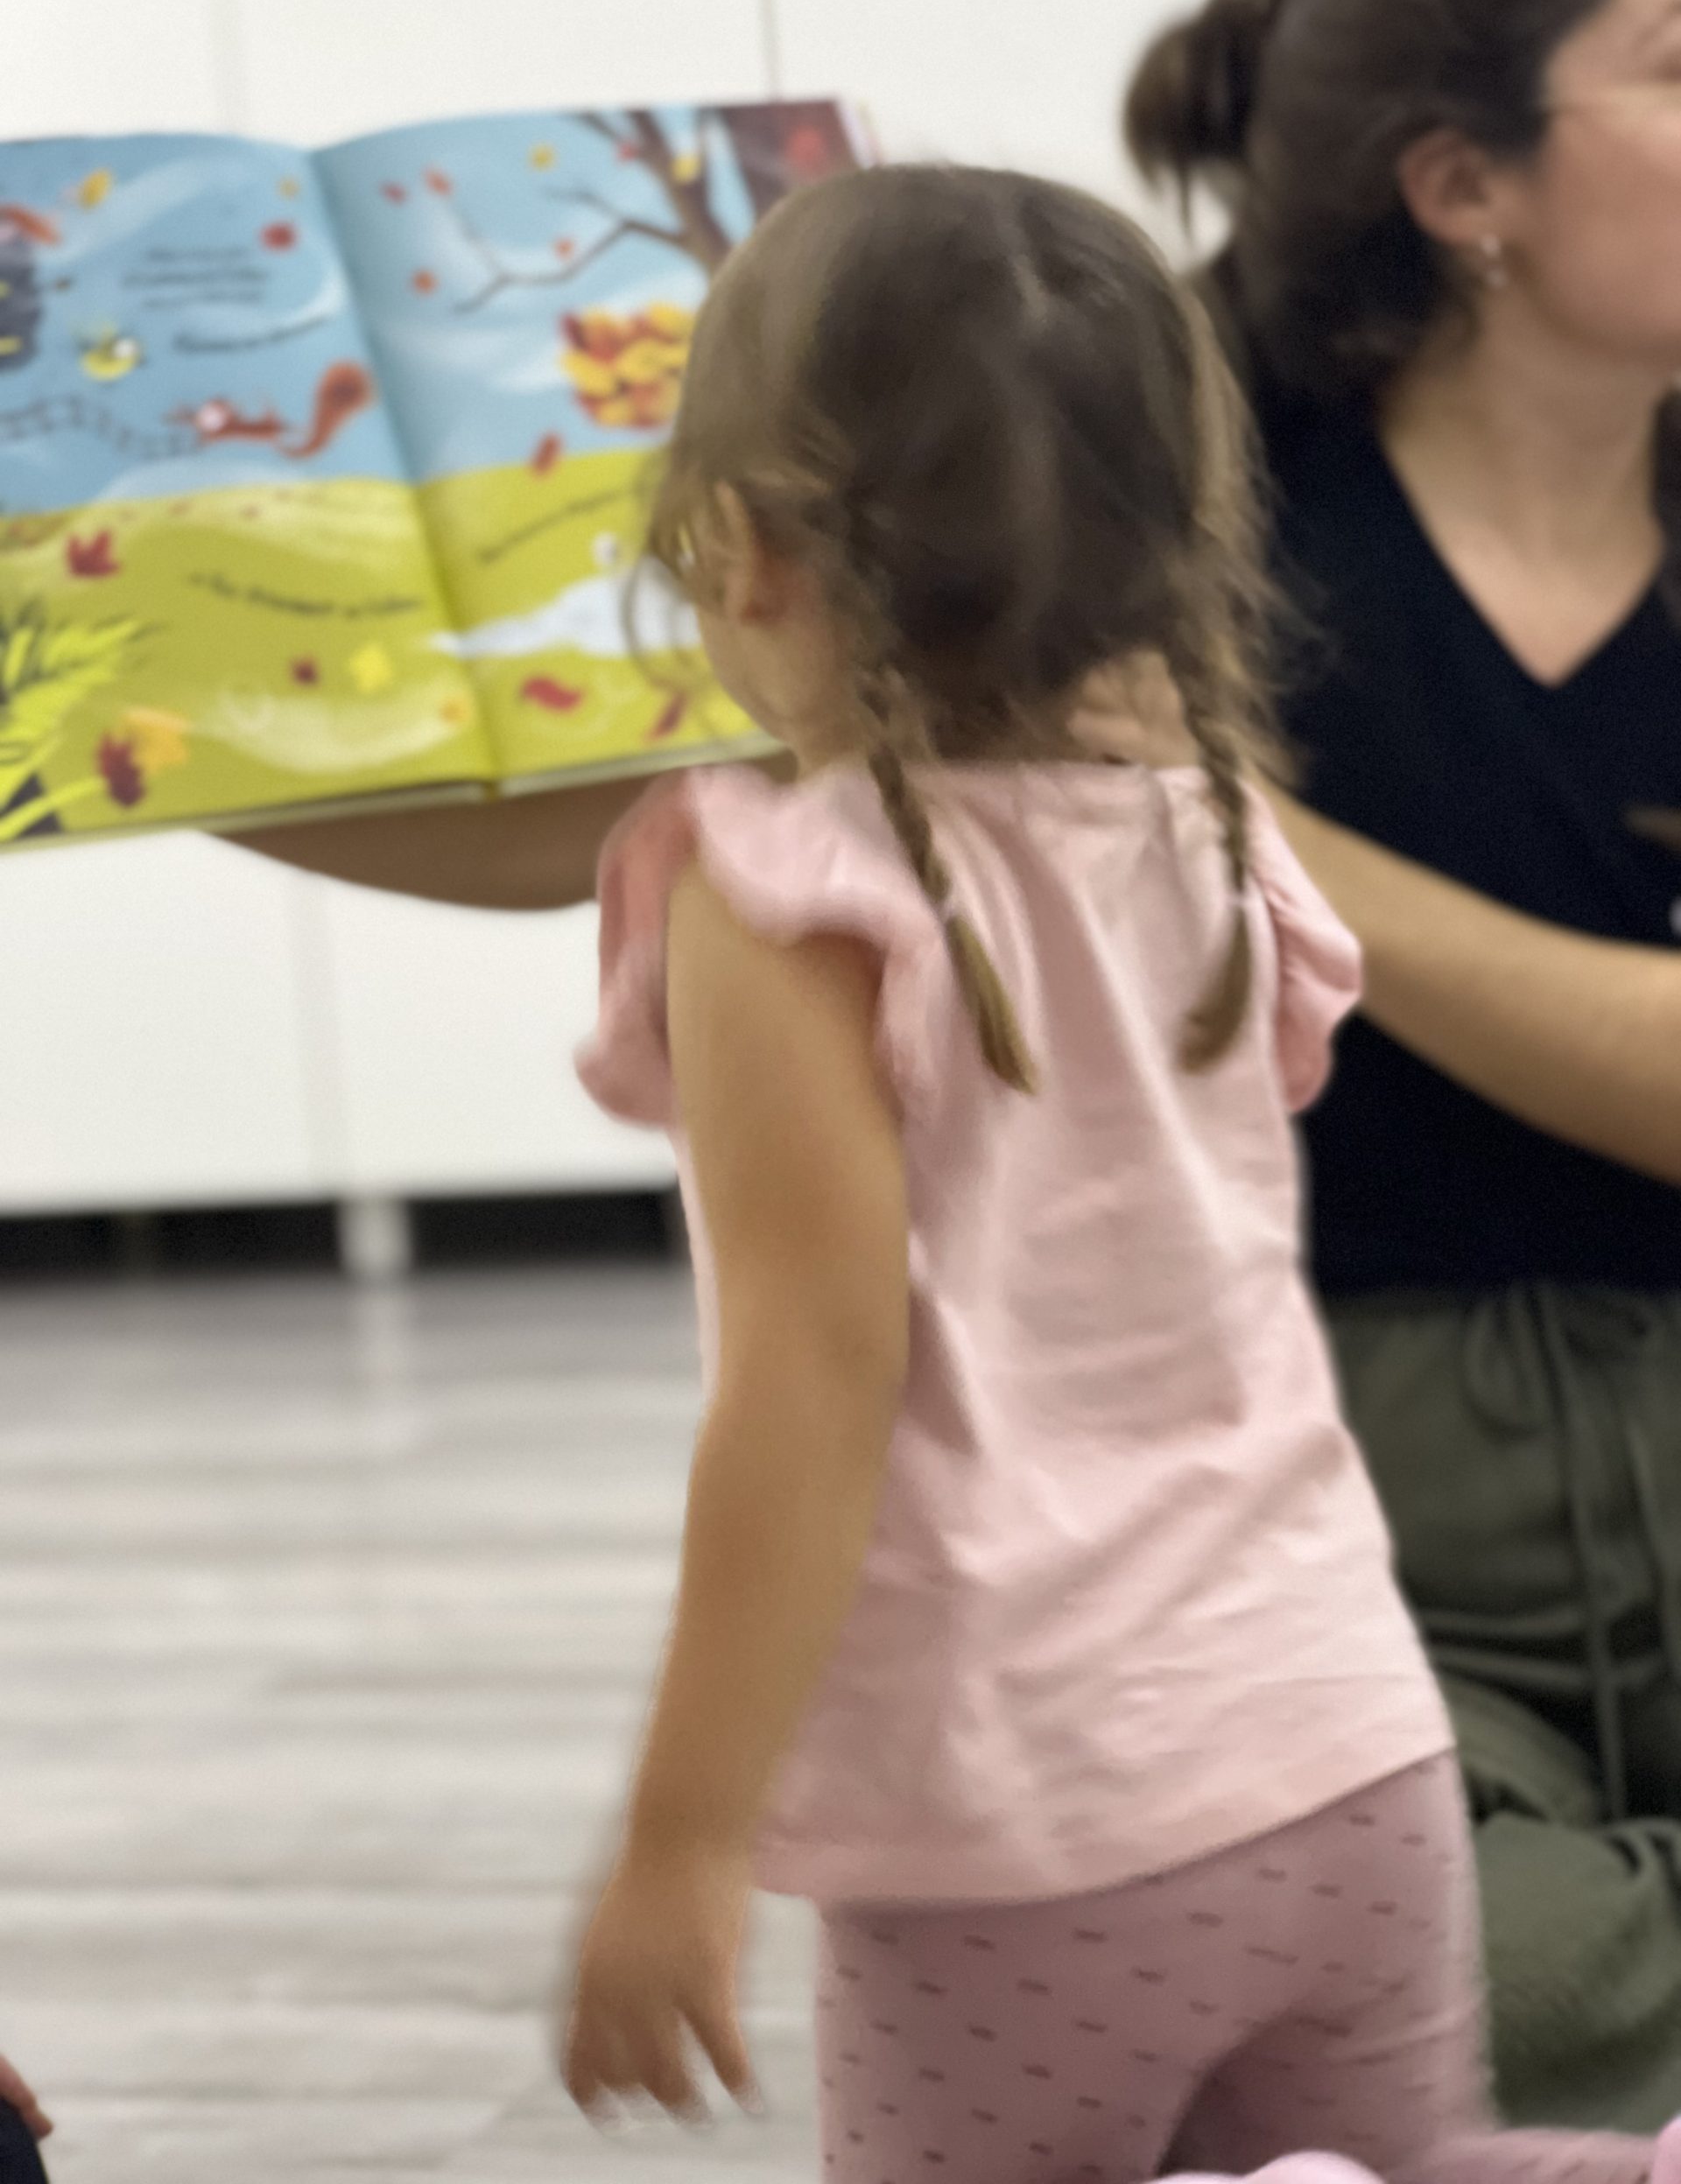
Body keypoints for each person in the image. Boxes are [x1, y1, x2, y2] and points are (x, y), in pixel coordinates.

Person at [538, 157, 1681, 2184]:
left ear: (739, 547)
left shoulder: (782, 887)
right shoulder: (1219, 831)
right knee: (1419, 2156)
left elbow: (812, 1377)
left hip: (1030, 1830)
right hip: (1346, 1744)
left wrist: (681, 1837)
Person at [1124, 0, 1681, 2131]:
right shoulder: (1191, 510)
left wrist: (1243, 829)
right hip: (1361, 1526)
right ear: (1467, 188)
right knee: (1437, 1985)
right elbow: (734, 762)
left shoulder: (1186, 725)